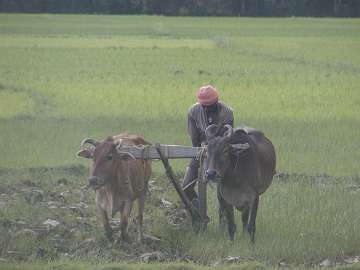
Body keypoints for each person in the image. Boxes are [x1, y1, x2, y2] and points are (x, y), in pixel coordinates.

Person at [182, 85, 234, 207]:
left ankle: (224, 220)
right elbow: (195, 141)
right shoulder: (193, 112)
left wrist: (214, 148)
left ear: (216, 102)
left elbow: (227, 138)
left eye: (210, 106)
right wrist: (204, 149)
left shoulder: (227, 113)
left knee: (222, 192)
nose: (206, 109)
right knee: (186, 187)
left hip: (220, 154)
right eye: (203, 106)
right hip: (200, 151)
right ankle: (197, 212)